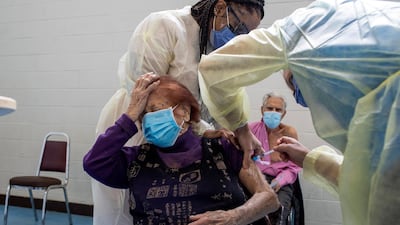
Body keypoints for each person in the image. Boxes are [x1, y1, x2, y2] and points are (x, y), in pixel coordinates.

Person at [198, 0, 400, 224]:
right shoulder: (346, 21)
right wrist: (310, 159)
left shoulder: (307, 30)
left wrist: (241, 130)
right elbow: (367, 179)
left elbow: (215, 69)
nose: (300, 99)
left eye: (295, 83)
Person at [91, 1, 265, 224]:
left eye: (248, 35)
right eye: (240, 28)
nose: (240, 38)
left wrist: (240, 131)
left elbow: (227, 97)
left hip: (186, 132)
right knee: (124, 209)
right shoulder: (165, 26)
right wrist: (200, 128)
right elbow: (150, 95)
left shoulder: (221, 52)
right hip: (144, 128)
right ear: (220, 8)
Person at [83, 74, 280, 225]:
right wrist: (130, 114)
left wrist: (232, 217)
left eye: (153, 110)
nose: (147, 120)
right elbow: (94, 162)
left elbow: (269, 199)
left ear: (184, 111)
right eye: (142, 115)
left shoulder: (222, 147)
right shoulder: (137, 160)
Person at [249, 92, 301, 225]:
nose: (273, 112)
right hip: (256, 179)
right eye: (269, 108)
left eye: (278, 110)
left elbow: (293, 167)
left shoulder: (289, 133)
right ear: (262, 110)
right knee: (247, 213)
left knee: (277, 214)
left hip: (280, 182)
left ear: (284, 113)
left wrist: (279, 182)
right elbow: (245, 161)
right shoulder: (251, 130)